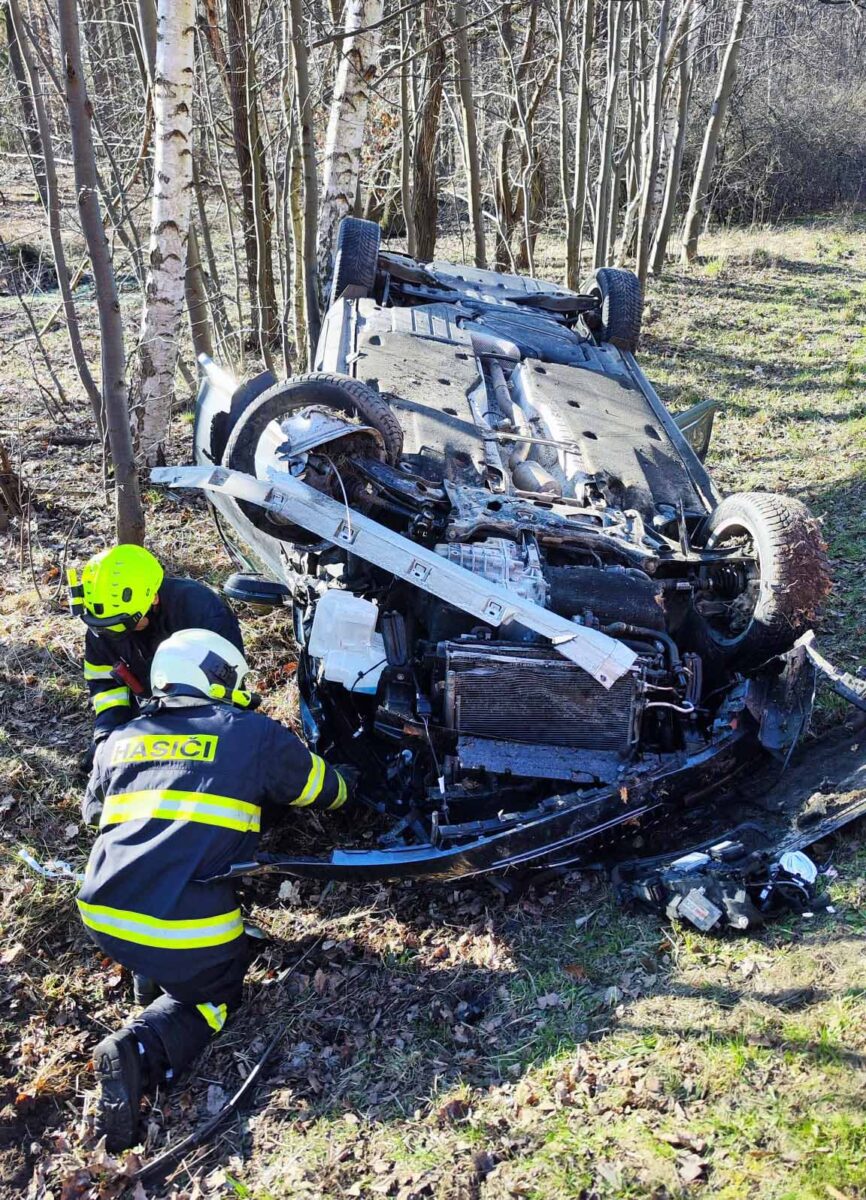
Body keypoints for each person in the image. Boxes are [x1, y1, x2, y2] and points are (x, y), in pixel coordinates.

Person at [77, 628, 350, 1151]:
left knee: (160, 899)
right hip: (182, 925)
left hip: (103, 914)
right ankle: (139, 1050)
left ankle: (151, 979)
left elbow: (95, 812)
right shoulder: (249, 734)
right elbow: (323, 790)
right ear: (218, 677)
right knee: (218, 988)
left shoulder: (120, 738)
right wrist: (352, 782)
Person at [67, 545, 244, 745]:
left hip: (210, 713)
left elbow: (228, 683)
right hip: (147, 713)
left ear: (153, 598)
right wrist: (108, 734)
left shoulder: (200, 610)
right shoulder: (102, 624)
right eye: (106, 626)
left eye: (124, 624)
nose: (115, 633)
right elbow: (105, 684)